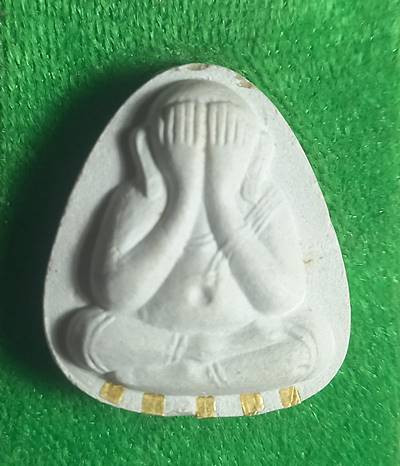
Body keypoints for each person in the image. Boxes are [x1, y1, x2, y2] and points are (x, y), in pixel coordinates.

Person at [66, 81, 322, 395]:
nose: (205, 153)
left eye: (226, 137)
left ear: (258, 152)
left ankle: (189, 374)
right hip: (156, 338)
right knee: (87, 335)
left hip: (239, 339)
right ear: (146, 147)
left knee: (310, 344)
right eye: (182, 135)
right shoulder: (139, 197)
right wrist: (183, 197)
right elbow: (114, 296)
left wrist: (221, 200)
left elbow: (282, 299)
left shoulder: (262, 198)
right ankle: (199, 365)